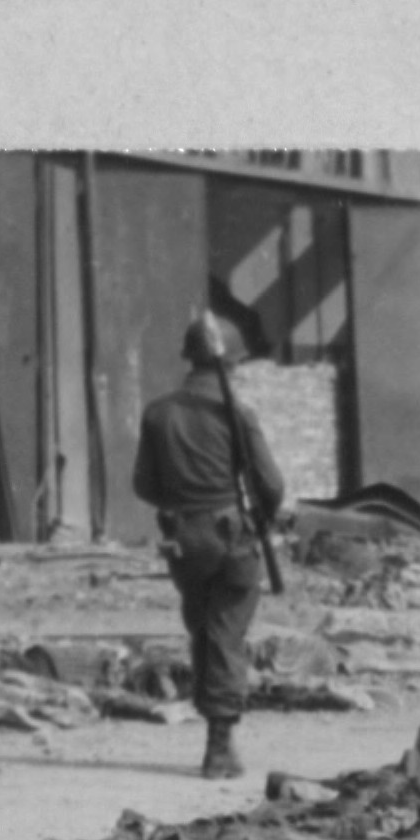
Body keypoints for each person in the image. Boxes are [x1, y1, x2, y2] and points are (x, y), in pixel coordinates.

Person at [129, 311, 290, 782]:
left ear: (188, 360)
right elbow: (271, 485)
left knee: (204, 629)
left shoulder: (159, 413)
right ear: (234, 363)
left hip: (184, 539)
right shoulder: (237, 414)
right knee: (224, 632)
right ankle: (219, 746)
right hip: (230, 535)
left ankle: (214, 729)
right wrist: (257, 511)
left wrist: (183, 504)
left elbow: (144, 484)